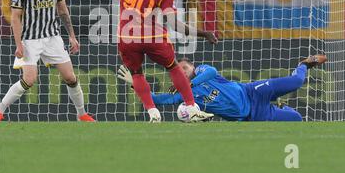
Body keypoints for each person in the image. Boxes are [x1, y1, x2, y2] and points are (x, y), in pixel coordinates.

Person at [97, 0, 217, 123]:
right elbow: (176, 25)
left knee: (137, 73)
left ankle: (153, 114)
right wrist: (204, 34)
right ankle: (191, 108)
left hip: (126, 37)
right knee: (173, 66)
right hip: (149, 36)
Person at [0, 0, 95, 122]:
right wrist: (18, 44)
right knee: (29, 80)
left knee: (70, 77)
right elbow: (15, 18)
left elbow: (63, 10)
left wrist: (72, 36)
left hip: (53, 37)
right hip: (30, 39)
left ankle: (81, 114)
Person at [117, 55, 328, 121]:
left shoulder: (203, 71)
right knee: (297, 120)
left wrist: (189, 84)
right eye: (178, 69)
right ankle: (285, 109)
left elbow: (210, 72)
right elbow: (158, 100)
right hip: (253, 115)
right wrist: (136, 84)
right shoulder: (188, 97)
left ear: (192, 67)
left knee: (298, 82)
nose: (181, 70)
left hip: (253, 91)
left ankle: (303, 65)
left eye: (185, 67)